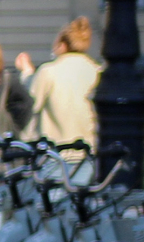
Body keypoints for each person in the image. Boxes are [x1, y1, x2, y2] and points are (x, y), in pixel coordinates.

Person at [24, 17, 100, 149]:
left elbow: (30, 106)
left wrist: (26, 73)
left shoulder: (48, 71)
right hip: (88, 152)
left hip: (56, 153)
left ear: (62, 45)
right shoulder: (96, 71)